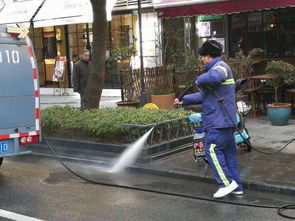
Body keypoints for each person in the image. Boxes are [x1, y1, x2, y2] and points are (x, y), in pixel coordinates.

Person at [174, 40, 243, 198]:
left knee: (211, 150)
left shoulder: (220, 68)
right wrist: (184, 100)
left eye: (203, 57)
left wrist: (198, 80)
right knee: (228, 154)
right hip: (224, 120)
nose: (202, 60)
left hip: (218, 121)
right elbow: (204, 96)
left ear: (208, 57)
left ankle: (225, 183)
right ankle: (237, 186)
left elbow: (213, 77)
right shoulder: (218, 70)